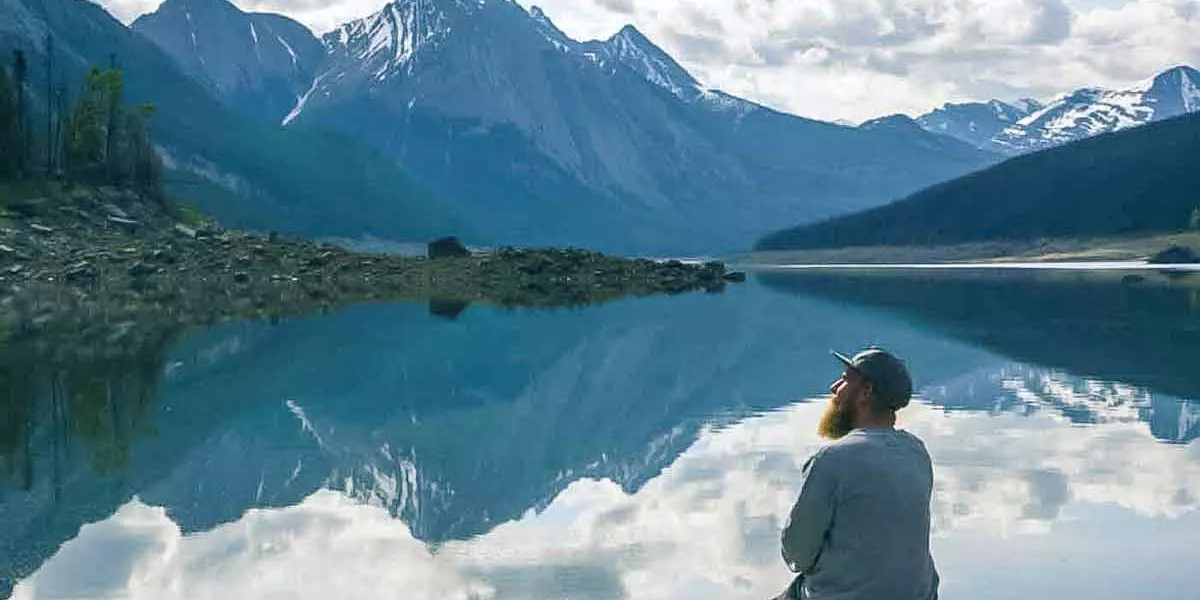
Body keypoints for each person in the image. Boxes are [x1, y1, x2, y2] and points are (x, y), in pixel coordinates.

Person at [774, 347, 939, 600]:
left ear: (865, 392)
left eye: (845, 379)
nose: (834, 387)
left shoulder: (832, 460)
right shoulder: (917, 453)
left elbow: (797, 554)